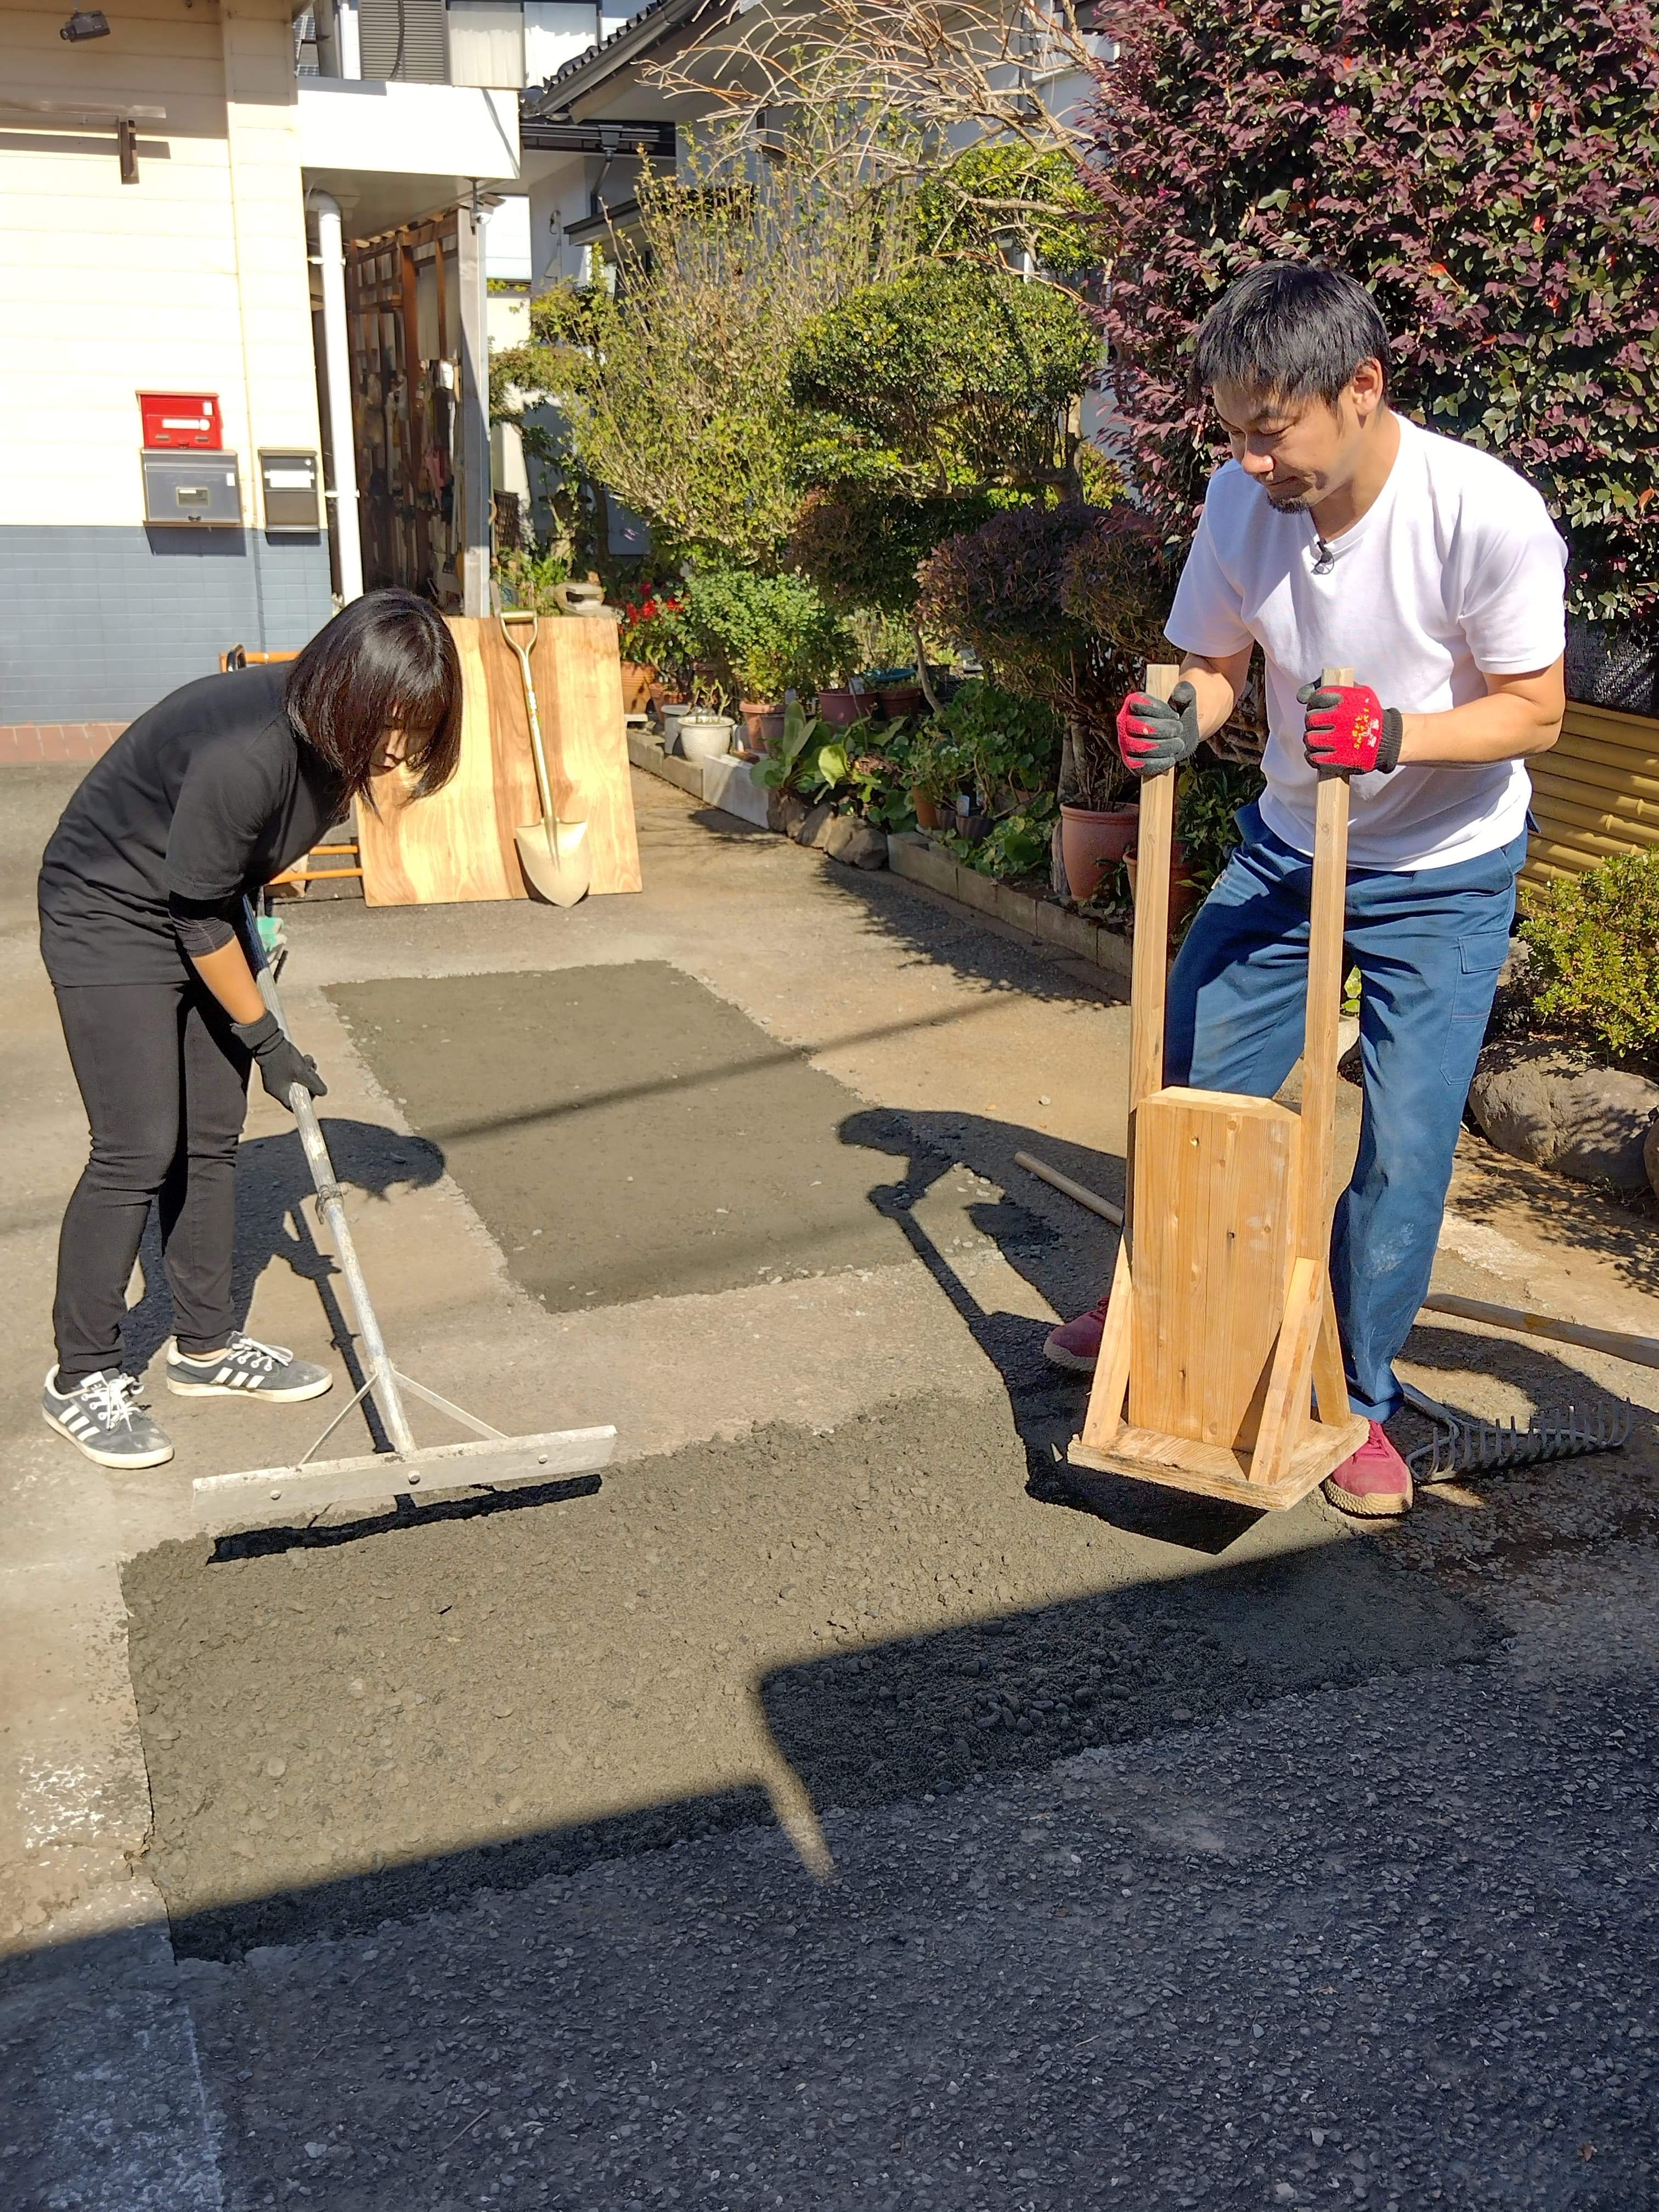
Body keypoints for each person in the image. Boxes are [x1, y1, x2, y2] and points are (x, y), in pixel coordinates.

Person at [1045, 263, 1566, 1518]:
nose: (1252, 458)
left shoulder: (1484, 516)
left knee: (1401, 1149)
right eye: (1234, 432)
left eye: (1271, 430)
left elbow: (1536, 711)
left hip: (1443, 870)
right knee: (1186, 1073)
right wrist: (1185, 714)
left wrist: (1396, 737)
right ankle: (1167, 1290)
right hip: (1291, 843)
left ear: (1362, 387)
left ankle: (1357, 1393)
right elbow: (1216, 664)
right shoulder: (1240, 503)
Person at [37, 589, 462, 1469]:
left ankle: (205, 1346)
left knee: (211, 1136)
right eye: (388, 725)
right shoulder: (252, 749)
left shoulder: (334, 744)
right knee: (137, 1144)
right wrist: (265, 1038)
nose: (396, 750)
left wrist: (256, 927)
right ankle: (81, 1375)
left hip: (198, 902)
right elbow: (192, 914)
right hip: (108, 907)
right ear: (346, 684)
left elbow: (227, 875)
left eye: (416, 732)